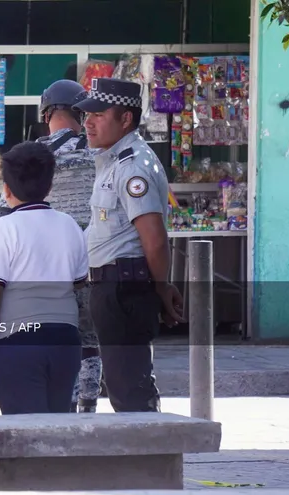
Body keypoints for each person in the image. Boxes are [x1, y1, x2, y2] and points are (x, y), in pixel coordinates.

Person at [73, 77, 185, 413]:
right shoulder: (111, 161)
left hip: (126, 287)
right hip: (111, 287)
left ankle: (152, 462)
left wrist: (162, 287)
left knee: (130, 389)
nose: (88, 122)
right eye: (86, 115)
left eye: (98, 114)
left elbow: (154, 238)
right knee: (122, 385)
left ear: (125, 119)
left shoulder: (134, 165)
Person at [0, 79, 103, 413]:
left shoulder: (36, 158)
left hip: (46, 271)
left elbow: (7, 211)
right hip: (95, 264)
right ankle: (89, 407)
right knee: (90, 343)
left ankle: (65, 410)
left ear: (46, 114)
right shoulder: (102, 154)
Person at [0, 141, 86, 414]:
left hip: (17, 343)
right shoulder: (70, 225)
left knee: (24, 431)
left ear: (7, 190)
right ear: (49, 187)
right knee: (58, 424)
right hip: (65, 339)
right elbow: (80, 283)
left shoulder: (3, 228)